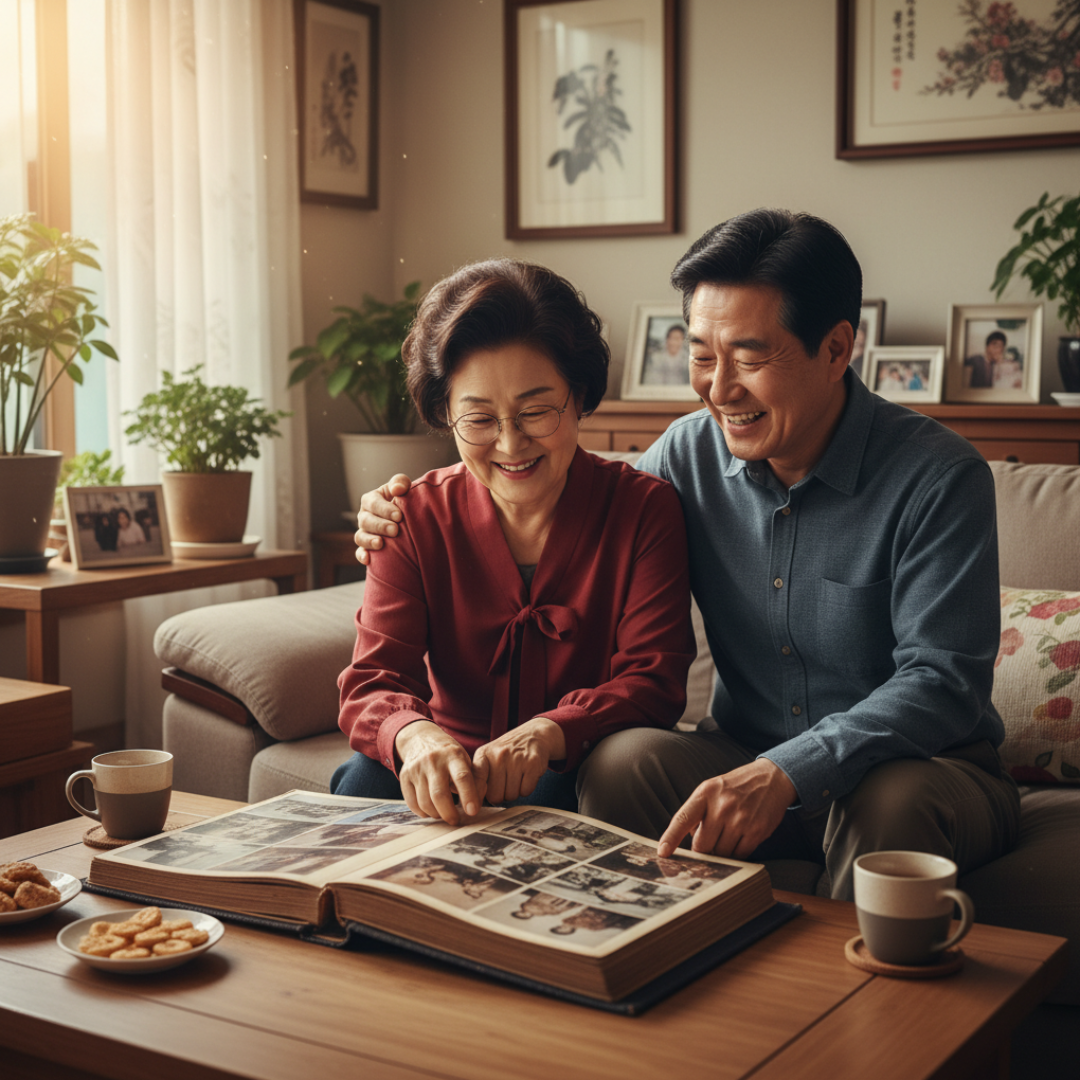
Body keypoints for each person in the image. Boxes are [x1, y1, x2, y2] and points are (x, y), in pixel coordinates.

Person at [354, 210, 1020, 902]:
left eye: (750, 359)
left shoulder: (939, 477)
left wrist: (789, 771)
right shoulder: (686, 456)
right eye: (702, 356)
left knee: (888, 800)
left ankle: (851, 972)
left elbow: (942, 681)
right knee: (624, 761)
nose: (719, 389)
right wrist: (396, 512)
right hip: (738, 756)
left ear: (835, 349)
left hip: (920, 767)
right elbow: (579, 502)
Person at [331, 258, 696, 827]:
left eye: (535, 411)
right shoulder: (410, 517)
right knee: (362, 780)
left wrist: (550, 733)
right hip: (450, 765)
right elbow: (373, 681)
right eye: (479, 419)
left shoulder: (644, 509)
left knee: (566, 793)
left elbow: (653, 680)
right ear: (445, 414)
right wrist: (416, 735)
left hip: (576, 762)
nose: (510, 443)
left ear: (578, 397)